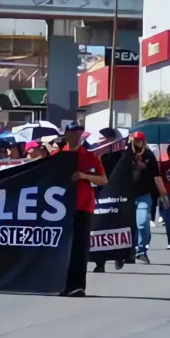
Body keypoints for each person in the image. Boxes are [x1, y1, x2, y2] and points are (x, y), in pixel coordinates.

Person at [61, 123, 106, 297]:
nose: (76, 136)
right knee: (63, 248)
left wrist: (84, 175)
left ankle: (78, 286)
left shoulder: (89, 156)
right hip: (60, 209)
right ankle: (61, 284)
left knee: (79, 248)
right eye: (73, 133)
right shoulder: (58, 156)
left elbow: (103, 179)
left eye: (79, 133)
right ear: (66, 134)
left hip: (83, 207)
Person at [120, 131, 165, 262]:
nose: (137, 143)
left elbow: (156, 176)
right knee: (128, 225)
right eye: (135, 140)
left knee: (142, 223)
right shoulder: (125, 154)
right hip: (127, 195)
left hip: (144, 194)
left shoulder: (149, 155)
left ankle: (141, 249)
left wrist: (164, 195)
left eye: (140, 140)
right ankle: (129, 251)